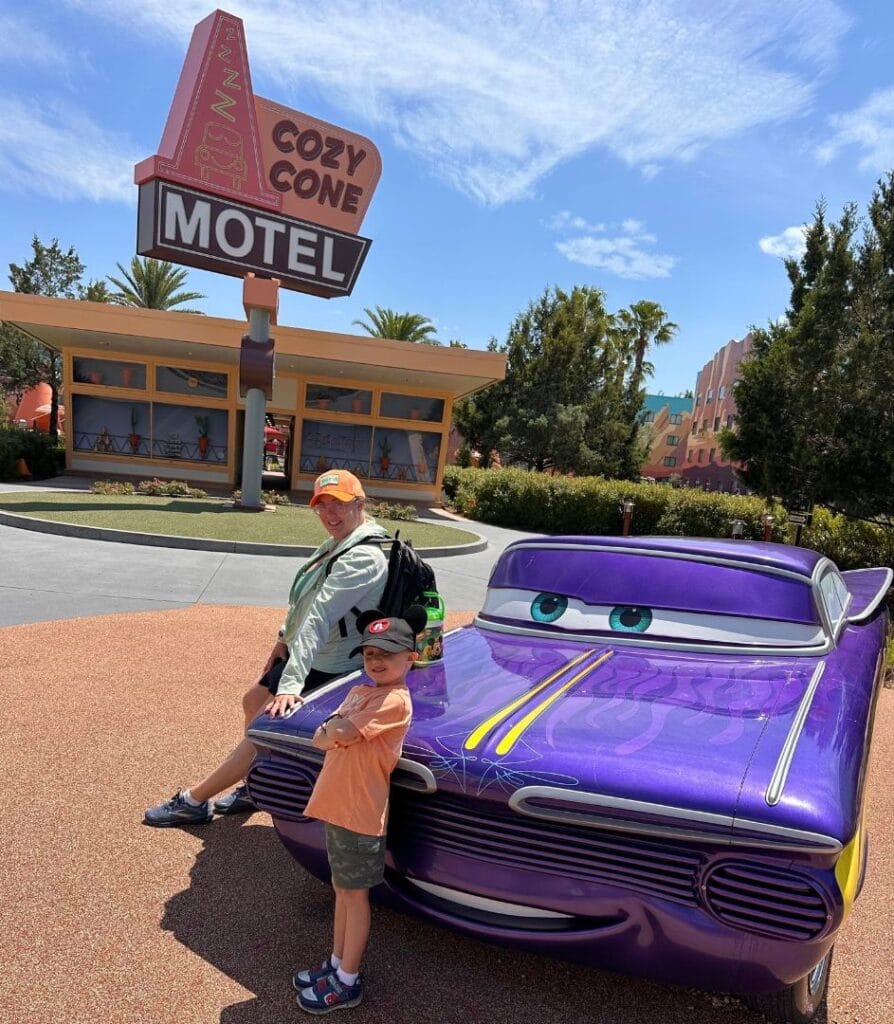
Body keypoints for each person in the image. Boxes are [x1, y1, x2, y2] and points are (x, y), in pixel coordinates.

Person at [144, 470, 390, 827]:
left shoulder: (363, 557)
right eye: (322, 506)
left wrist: (290, 684)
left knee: (265, 725)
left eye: (339, 504)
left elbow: (318, 619)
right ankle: (254, 783)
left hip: (332, 662)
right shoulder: (342, 541)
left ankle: (196, 800)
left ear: (360, 504)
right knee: (252, 701)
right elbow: (304, 598)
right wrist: (281, 640)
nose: (329, 514)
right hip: (311, 652)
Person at [292, 605, 425, 1014]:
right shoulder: (359, 692)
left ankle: (347, 978)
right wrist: (334, 731)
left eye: (387, 652)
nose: (377, 661)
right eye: (370, 654)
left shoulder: (395, 700)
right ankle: (335, 964)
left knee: (354, 896)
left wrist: (334, 729)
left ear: (410, 657)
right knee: (342, 891)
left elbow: (340, 731)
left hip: (360, 812)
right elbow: (321, 739)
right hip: (338, 806)